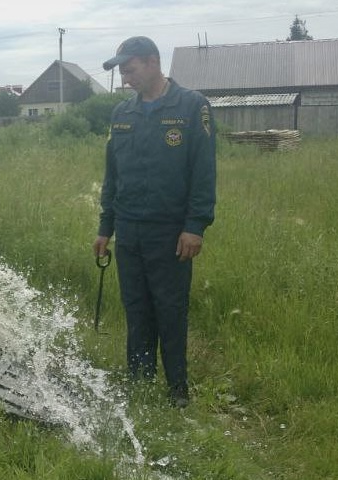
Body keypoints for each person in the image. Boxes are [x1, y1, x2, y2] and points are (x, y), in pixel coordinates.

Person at [92, 36, 216, 408]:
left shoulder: (193, 107)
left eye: (129, 70)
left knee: (170, 310)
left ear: (151, 62)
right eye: (122, 73)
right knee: (137, 308)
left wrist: (195, 225)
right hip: (129, 230)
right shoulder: (122, 115)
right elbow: (113, 176)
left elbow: (204, 172)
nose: (126, 79)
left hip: (171, 233)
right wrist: (105, 227)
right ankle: (140, 384)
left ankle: (178, 390)